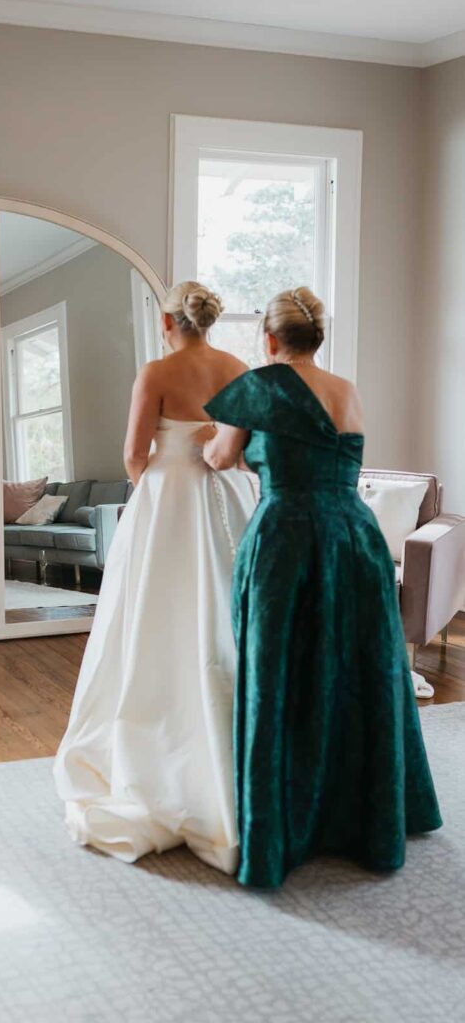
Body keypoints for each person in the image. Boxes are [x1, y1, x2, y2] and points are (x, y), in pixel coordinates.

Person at [201, 287, 442, 888]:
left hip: (286, 534)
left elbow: (219, 457)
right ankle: (366, 815)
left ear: (271, 339)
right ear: (319, 337)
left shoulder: (258, 387)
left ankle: (287, 821)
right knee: (357, 670)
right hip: (355, 540)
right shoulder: (347, 390)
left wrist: (210, 443)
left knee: (280, 670)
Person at [54, 282, 257, 873]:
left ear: (170, 320)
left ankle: (156, 739)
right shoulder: (239, 367)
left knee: (154, 613)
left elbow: (133, 453)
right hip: (230, 495)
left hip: (168, 499)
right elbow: (241, 452)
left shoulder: (157, 372)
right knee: (226, 610)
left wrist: (154, 490)